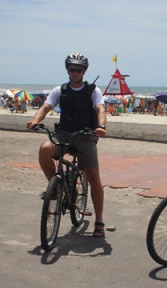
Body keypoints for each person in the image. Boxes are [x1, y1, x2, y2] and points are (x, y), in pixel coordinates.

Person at [27, 53, 107, 238]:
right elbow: (46, 107)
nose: (75, 73)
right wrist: (34, 121)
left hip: (86, 135)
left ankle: (100, 220)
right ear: (67, 70)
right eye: (72, 69)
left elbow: (100, 109)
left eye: (79, 70)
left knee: (93, 175)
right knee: (45, 148)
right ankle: (54, 188)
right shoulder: (59, 90)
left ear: (84, 71)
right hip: (64, 134)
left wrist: (101, 126)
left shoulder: (93, 91)